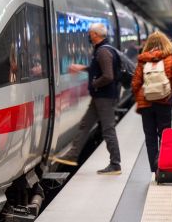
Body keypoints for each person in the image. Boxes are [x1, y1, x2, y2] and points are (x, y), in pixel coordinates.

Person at [52, 23, 122, 175]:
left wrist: (94, 84)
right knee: (85, 125)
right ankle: (73, 155)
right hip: (99, 97)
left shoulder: (103, 51)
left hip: (104, 97)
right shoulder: (102, 50)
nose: (88, 36)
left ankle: (115, 164)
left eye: (90, 33)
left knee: (108, 129)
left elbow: (108, 75)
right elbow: (99, 68)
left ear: (96, 35)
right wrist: (82, 68)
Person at [131, 31, 172, 173]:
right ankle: (163, 166)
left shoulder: (142, 60)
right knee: (165, 135)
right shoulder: (170, 59)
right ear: (166, 43)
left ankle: (154, 169)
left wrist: (141, 95)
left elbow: (135, 84)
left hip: (146, 104)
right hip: (164, 102)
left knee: (150, 137)